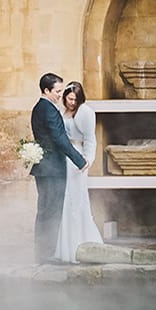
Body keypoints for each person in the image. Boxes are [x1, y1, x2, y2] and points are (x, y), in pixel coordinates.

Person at [30, 73, 87, 264]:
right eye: (57, 91)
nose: (60, 95)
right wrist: (79, 160)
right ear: (46, 90)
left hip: (45, 168)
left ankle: (42, 253)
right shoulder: (48, 109)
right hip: (52, 168)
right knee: (51, 211)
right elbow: (59, 138)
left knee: (45, 210)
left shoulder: (40, 107)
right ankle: (45, 255)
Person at [54, 81, 105, 263]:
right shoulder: (60, 111)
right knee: (65, 199)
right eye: (69, 99)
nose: (72, 103)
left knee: (76, 199)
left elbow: (90, 138)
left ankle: (82, 243)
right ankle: (64, 247)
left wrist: (88, 160)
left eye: (75, 99)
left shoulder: (85, 112)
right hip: (62, 157)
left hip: (77, 158)